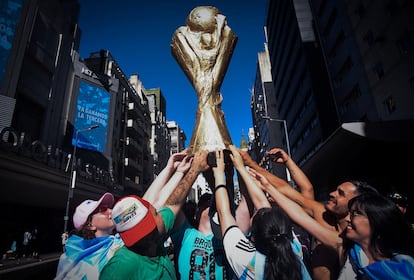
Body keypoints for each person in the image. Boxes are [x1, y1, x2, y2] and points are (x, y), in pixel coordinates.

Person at [238, 147, 378, 280]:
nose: (332, 194)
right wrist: (254, 164)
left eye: (341, 194)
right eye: (336, 190)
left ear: (357, 203)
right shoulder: (323, 215)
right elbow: (299, 191)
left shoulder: (361, 246)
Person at [99, 150, 210, 280]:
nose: (161, 214)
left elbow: (173, 203)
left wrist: (180, 171)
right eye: (157, 212)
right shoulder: (120, 267)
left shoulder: (153, 237)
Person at [212, 146, 311, 280]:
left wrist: (218, 174)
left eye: (256, 214)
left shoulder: (247, 261)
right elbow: (262, 204)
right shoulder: (293, 248)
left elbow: (224, 214)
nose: (258, 210)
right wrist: (241, 168)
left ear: (254, 234)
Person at [171, 6, 237, 154]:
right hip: (206, 92)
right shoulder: (181, 38)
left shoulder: (224, 35)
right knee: (207, 98)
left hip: (208, 93)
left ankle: (211, 138)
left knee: (208, 97)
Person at [338, 192, 414, 279]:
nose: (347, 219)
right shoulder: (352, 255)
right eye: (349, 213)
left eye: (356, 213)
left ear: (378, 221)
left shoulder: (406, 269)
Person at [55, 192, 124, 280]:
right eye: (103, 209)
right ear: (90, 225)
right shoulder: (67, 259)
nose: (111, 211)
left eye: (109, 207)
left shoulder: (120, 241)